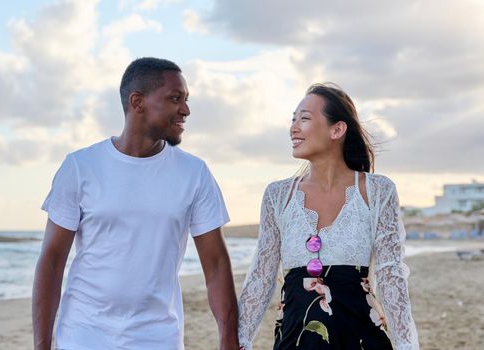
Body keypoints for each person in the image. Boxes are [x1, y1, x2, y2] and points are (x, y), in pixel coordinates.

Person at [33, 57, 239, 350]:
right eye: (174, 98)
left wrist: (228, 339)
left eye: (186, 100)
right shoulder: (80, 167)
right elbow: (52, 262)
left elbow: (217, 266)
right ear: (137, 101)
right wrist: (41, 344)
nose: (185, 110)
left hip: (159, 338)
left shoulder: (194, 173)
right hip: (84, 334)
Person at [237, 83, 419, 349]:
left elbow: (391, 275)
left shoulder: (378, 191)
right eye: (293, 119)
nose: (294, 127)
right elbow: (261, 276)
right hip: (296, 339)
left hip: (361, 338)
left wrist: (407, 345)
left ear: (337, 129)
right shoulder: (278, 195)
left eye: (305, 118)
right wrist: (241, 340)